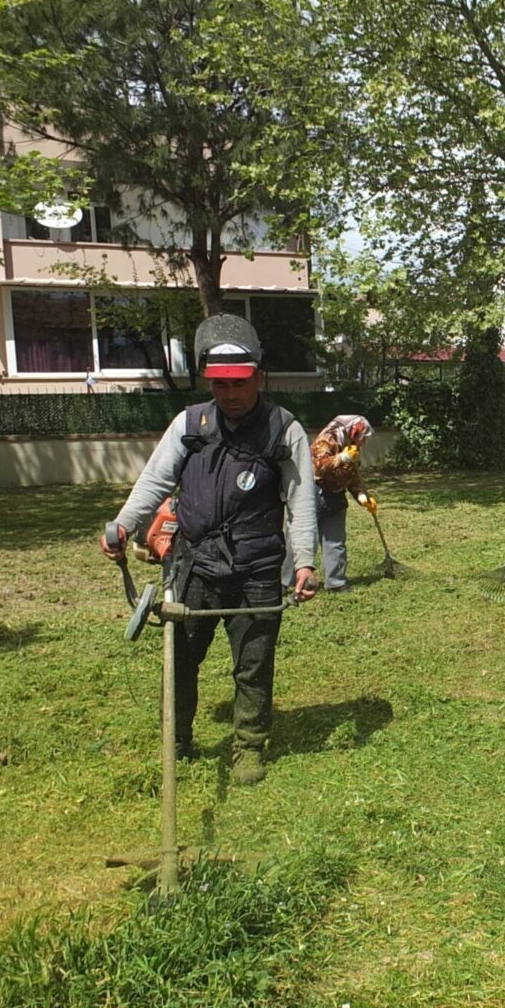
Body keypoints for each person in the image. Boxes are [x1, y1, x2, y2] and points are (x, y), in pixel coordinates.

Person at [99, 314, 318, 786]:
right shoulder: (190, 423)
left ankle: (248, 747)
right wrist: (123, 525)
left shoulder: (284, 430)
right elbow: (155, 480)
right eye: (219, 385)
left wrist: (303, 563)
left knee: (253, 665)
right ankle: (175, 740)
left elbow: (301, 502)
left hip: (256, 569)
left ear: (257, 377)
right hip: (193, 565)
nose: (230, 395)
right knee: (178, 661)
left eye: (239, 384)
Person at [282, 415, 377, 594]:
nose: (363, 441)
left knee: (336, 541)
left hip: (336, 497)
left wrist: (363, 497)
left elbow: (353, 478)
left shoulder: (352, 449)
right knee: (299, 539)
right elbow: (319, 466)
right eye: (362, 436)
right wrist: (343, 457)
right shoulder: (326, 440)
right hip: (314, 494)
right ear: (354, 431)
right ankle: (283, 582)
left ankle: (336, 583)